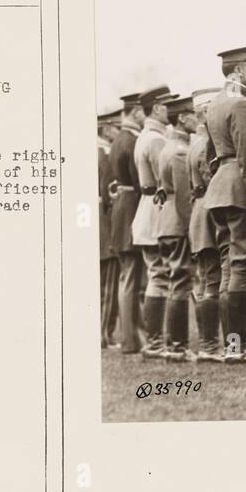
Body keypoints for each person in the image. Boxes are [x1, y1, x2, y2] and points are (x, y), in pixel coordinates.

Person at [202, 45, 246, 364]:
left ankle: (232, 346)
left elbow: (209, 157)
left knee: (229, 268)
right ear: (238, 70)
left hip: (218, 191)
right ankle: (238, 346)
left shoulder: (214, 103)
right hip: (239, 190)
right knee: (242, 267)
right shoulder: (241, 104)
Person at [153, 93, 198, 361]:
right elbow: (183, 197)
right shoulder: (180, 151)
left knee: (174, 282)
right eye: (192, 114)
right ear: (182, 118)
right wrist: (192, 231)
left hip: (165, 222)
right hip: (177, 222)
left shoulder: (168, 147)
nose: (196, 119)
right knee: (181, 283)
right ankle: (178, 347)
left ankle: (174, 344)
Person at [132, 86, 173, 359]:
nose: (172, 110)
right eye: (168, 106)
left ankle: (155, 341)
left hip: (146, 210)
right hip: (157, 210)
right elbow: (166, 179)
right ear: (157, 108)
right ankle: (157, 342)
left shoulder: (144, 136)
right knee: (160, 276)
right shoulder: (156, 139)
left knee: (155, 276)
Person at [188, 87, 225, 362]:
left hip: (200, 211)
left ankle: (208, 345)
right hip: (209, 210)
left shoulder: (196, 141)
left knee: (206, 279)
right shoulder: (205, 143)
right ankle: (210, 346)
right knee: (212, 279)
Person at [109, 91, 145, 354]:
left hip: (120, 210)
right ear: (135, 113)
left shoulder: (118, 139)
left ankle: (131, 337)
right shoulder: (131, 140)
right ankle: (131, 340)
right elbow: (139, 181)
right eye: (143, 111)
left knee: (127, 277)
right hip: (131, 209)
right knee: (132, 278)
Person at [97, 98, 122, 348]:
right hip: (104, 227)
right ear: (106, 129)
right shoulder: (104, 154)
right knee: (107, 285)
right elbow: (108, 193)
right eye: (116, 127)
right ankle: (104, 334)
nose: (118, 131)